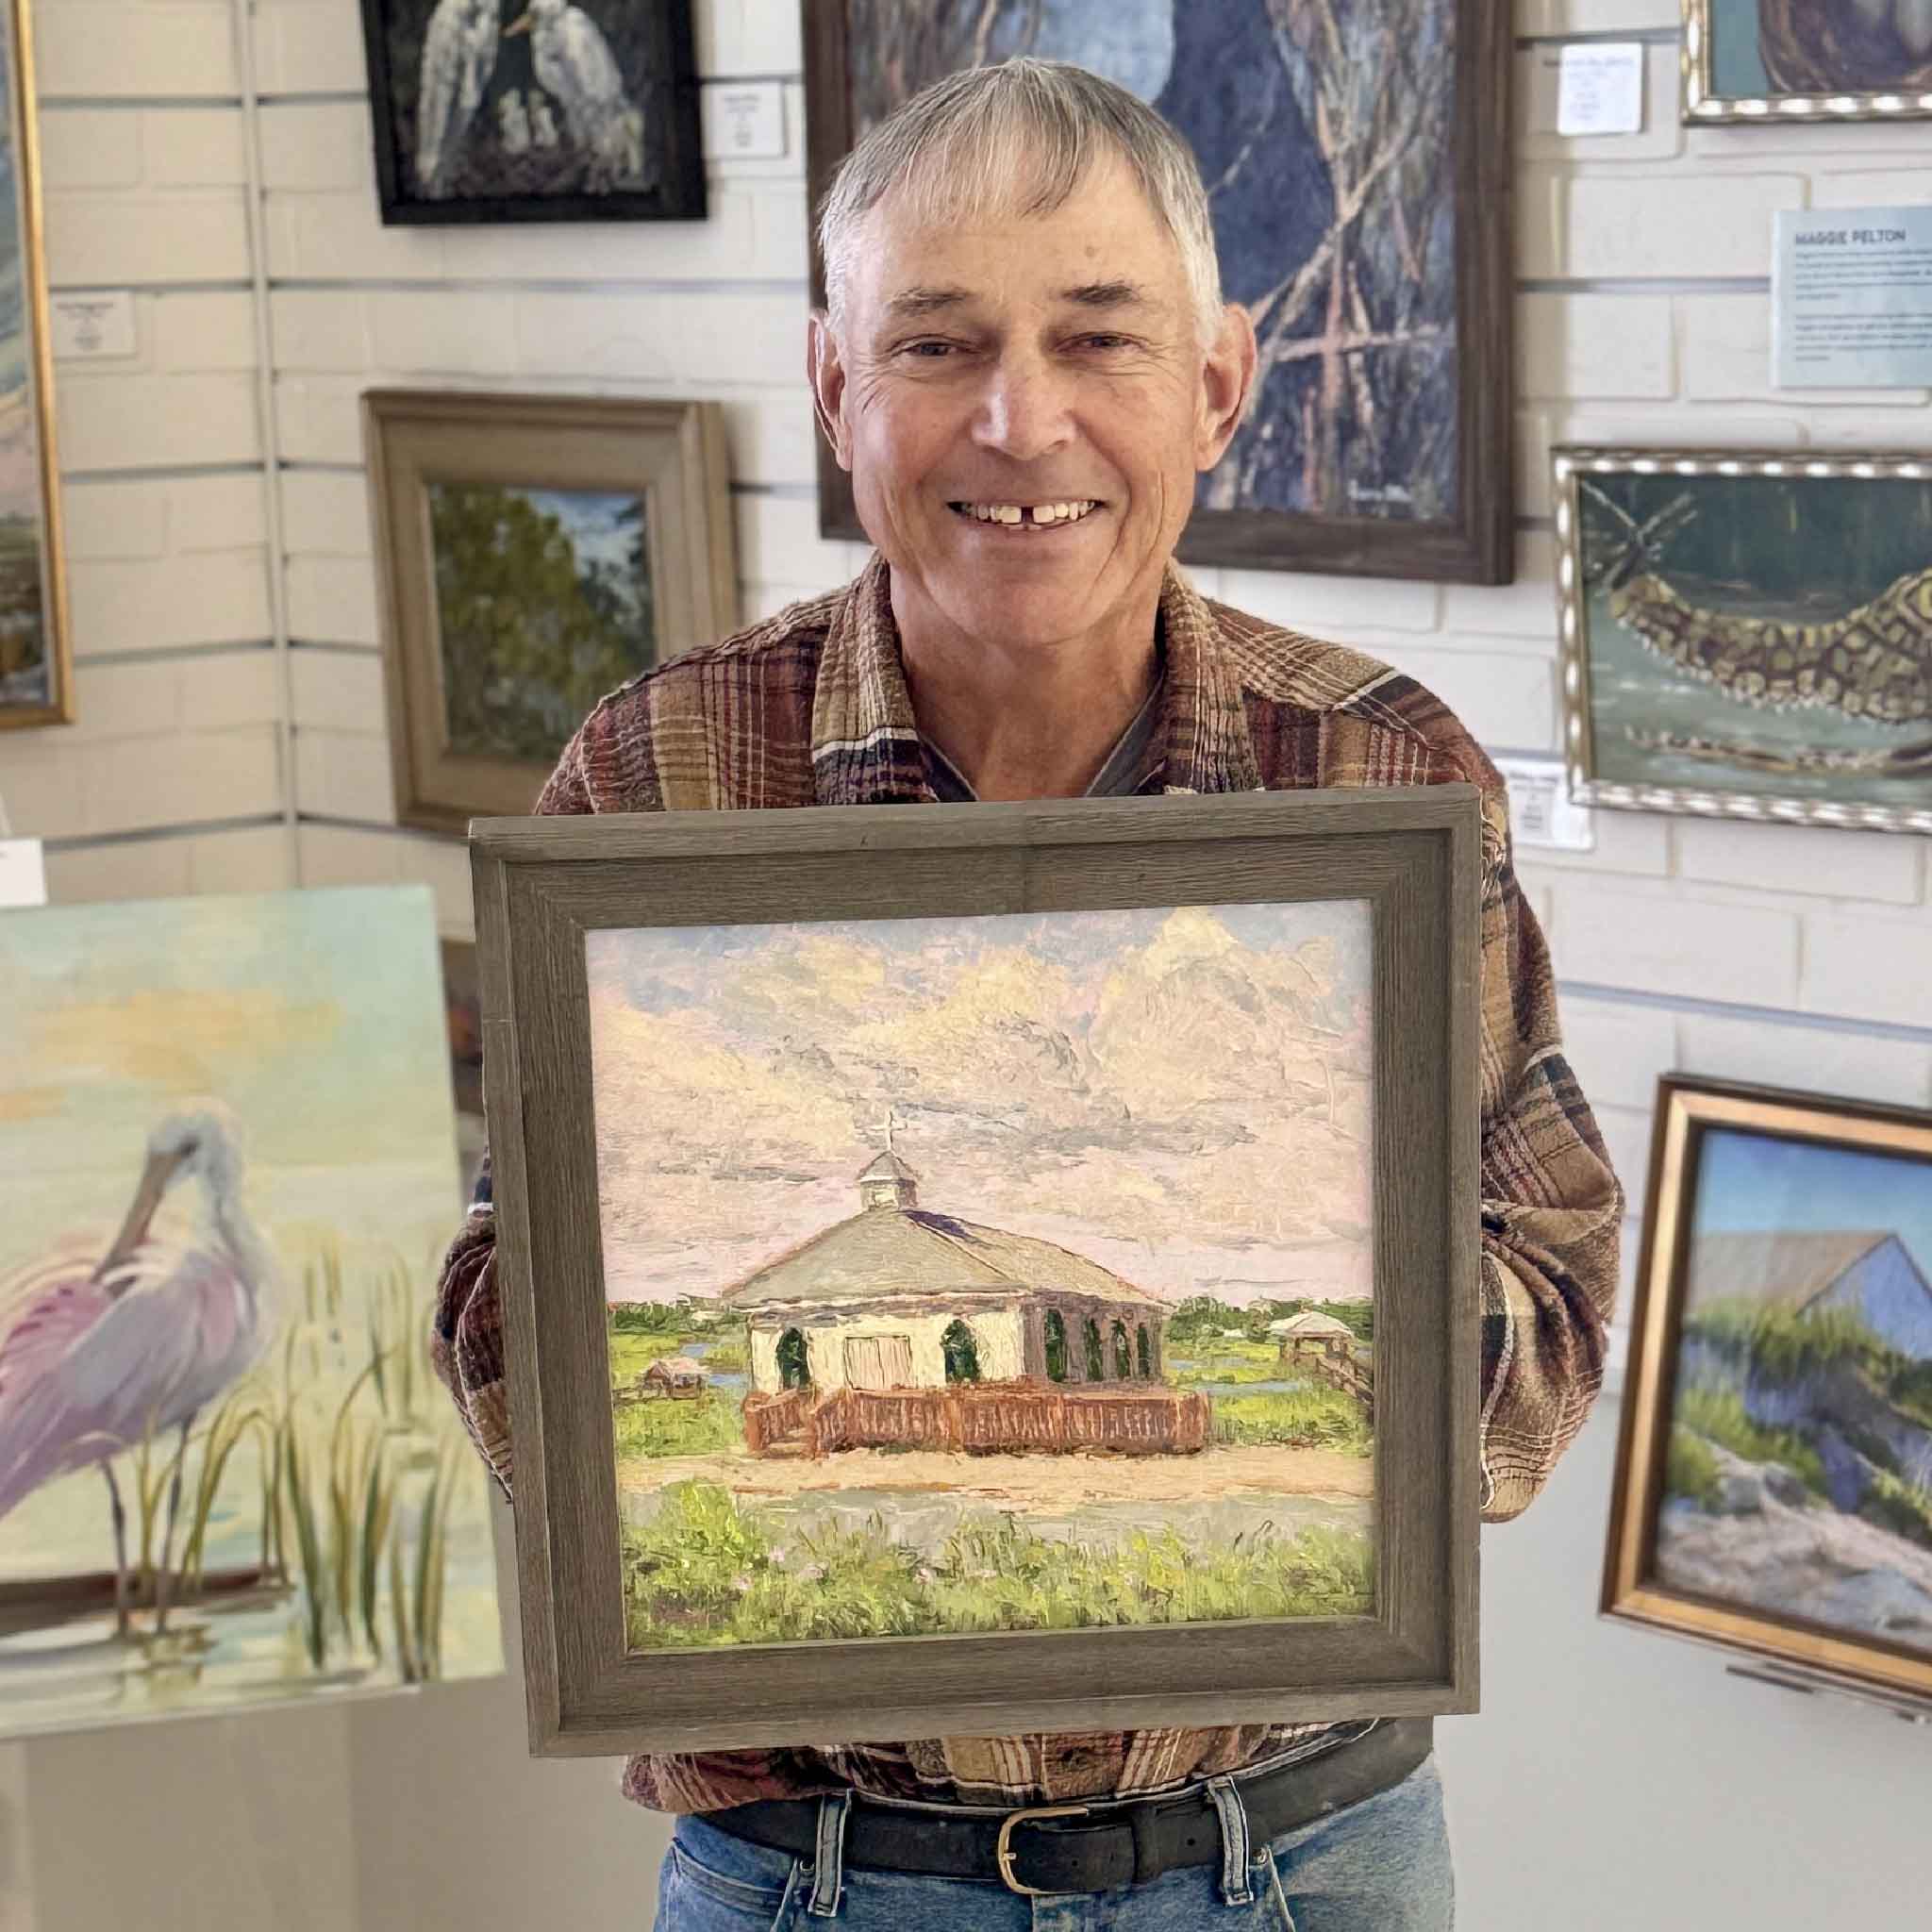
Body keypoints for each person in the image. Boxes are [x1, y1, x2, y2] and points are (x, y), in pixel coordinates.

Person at [433, 58, 1623, 1932]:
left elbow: (1543, 1339)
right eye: (933, 345)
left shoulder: (1384, 779)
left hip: (1300, 1863)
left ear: (1217, 382)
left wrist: (1316, 1292)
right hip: (814, 1877)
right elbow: (501, 1316)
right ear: (834, 388)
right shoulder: (657, 779)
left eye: (1098, 340)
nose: (1022, 421)